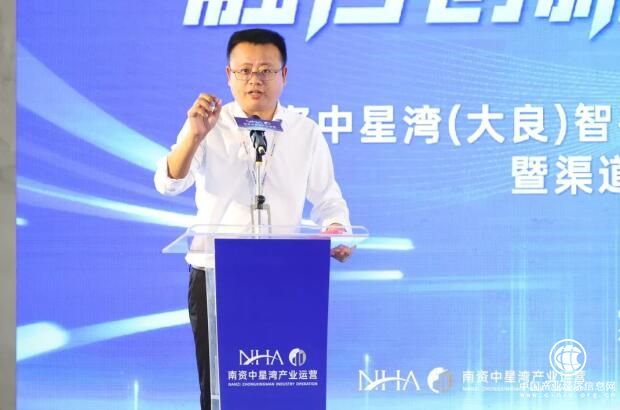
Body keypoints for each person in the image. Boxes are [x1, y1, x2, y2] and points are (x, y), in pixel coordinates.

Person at [154, 28, 353, 410]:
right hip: (215, 273)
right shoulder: (207, 125)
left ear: (284, 75)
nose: (254, 80)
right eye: (244, 71)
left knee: (281, 381)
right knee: (221, 385)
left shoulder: (305, 132)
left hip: (285, 273)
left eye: (265, 70)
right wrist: (194, 136)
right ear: (228, 75)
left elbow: (329, 200)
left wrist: (337, 232)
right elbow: (169, 183)